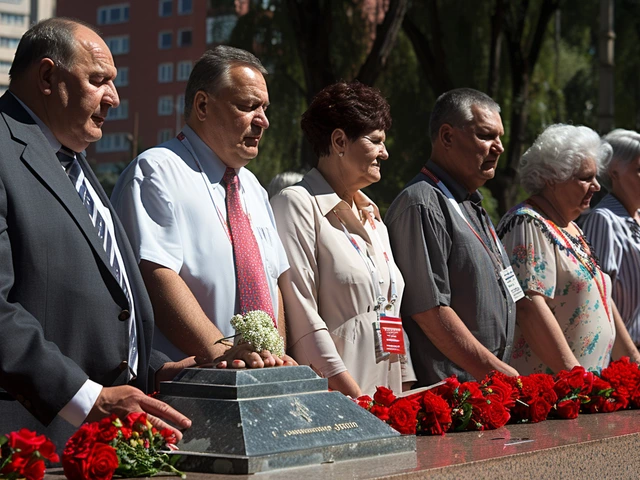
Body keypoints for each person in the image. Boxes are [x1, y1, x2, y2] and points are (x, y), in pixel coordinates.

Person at [0, 18, 191, 449]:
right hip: (28, 442)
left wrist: (156, 368)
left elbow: (96, 303)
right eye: (98, 80)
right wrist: (87, 398)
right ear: (47, 76)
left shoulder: (74, 161)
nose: (114, 98)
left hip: (99, 442)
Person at [112, 46, 294, 368]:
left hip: (257, 378)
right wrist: (223, 354)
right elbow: (156, 274)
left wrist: (272, 356)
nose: (263, 121)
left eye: (265, 108)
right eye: (248, 106)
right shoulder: (157, 172)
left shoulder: (253, 188)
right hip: (191, 384)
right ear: (202, 105)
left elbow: (272, 281)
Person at [271, 81, 416, 397]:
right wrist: (356, 400)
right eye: (376, 141)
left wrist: (404, 396)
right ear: (339, 141)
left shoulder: (374, 217)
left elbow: (392, 315)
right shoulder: (296, 203)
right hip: (336, 402)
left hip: (386, 401)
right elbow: (301, 316)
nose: (385, 153)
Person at [385, 88, 518, 388]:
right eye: (486, 135)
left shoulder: (471, 203)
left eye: (500, 137)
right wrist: (497, 375)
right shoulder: (422, 203)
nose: (498, 147)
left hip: (484, 391)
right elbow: (430, 311)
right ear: (447, 137)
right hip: (452, 401)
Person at [497, 124, 640, 375]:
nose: (596, 186)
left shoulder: (572, 227)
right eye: (585, 178)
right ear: (553, 178)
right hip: (556, 394)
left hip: (586, 391)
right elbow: (529, 308)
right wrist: (575, 377)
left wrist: (634, 365)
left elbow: (605, 303)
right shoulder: (528, 223)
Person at [580, 129, 640, 348]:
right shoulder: (603, 220)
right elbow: (600, 297)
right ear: (614, 173)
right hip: (624, 359)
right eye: (639, 169)